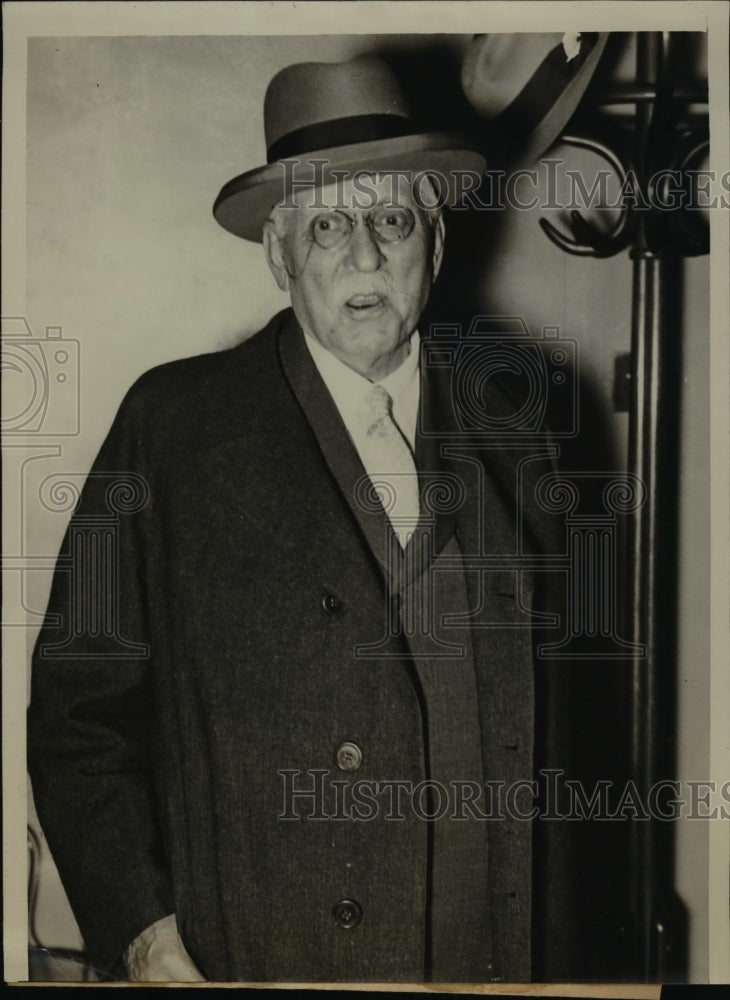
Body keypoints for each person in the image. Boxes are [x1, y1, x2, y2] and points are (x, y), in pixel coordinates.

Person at [27, 55, 565, 984]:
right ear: (280, 256)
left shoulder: (522, 427)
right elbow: (81, 722)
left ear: (433, 243)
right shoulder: (174, 429)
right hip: (268, 961)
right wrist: (146, 936)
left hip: (492, 958)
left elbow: (565, 724)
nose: (364, 255)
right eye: (327, 224)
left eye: (392, 219)